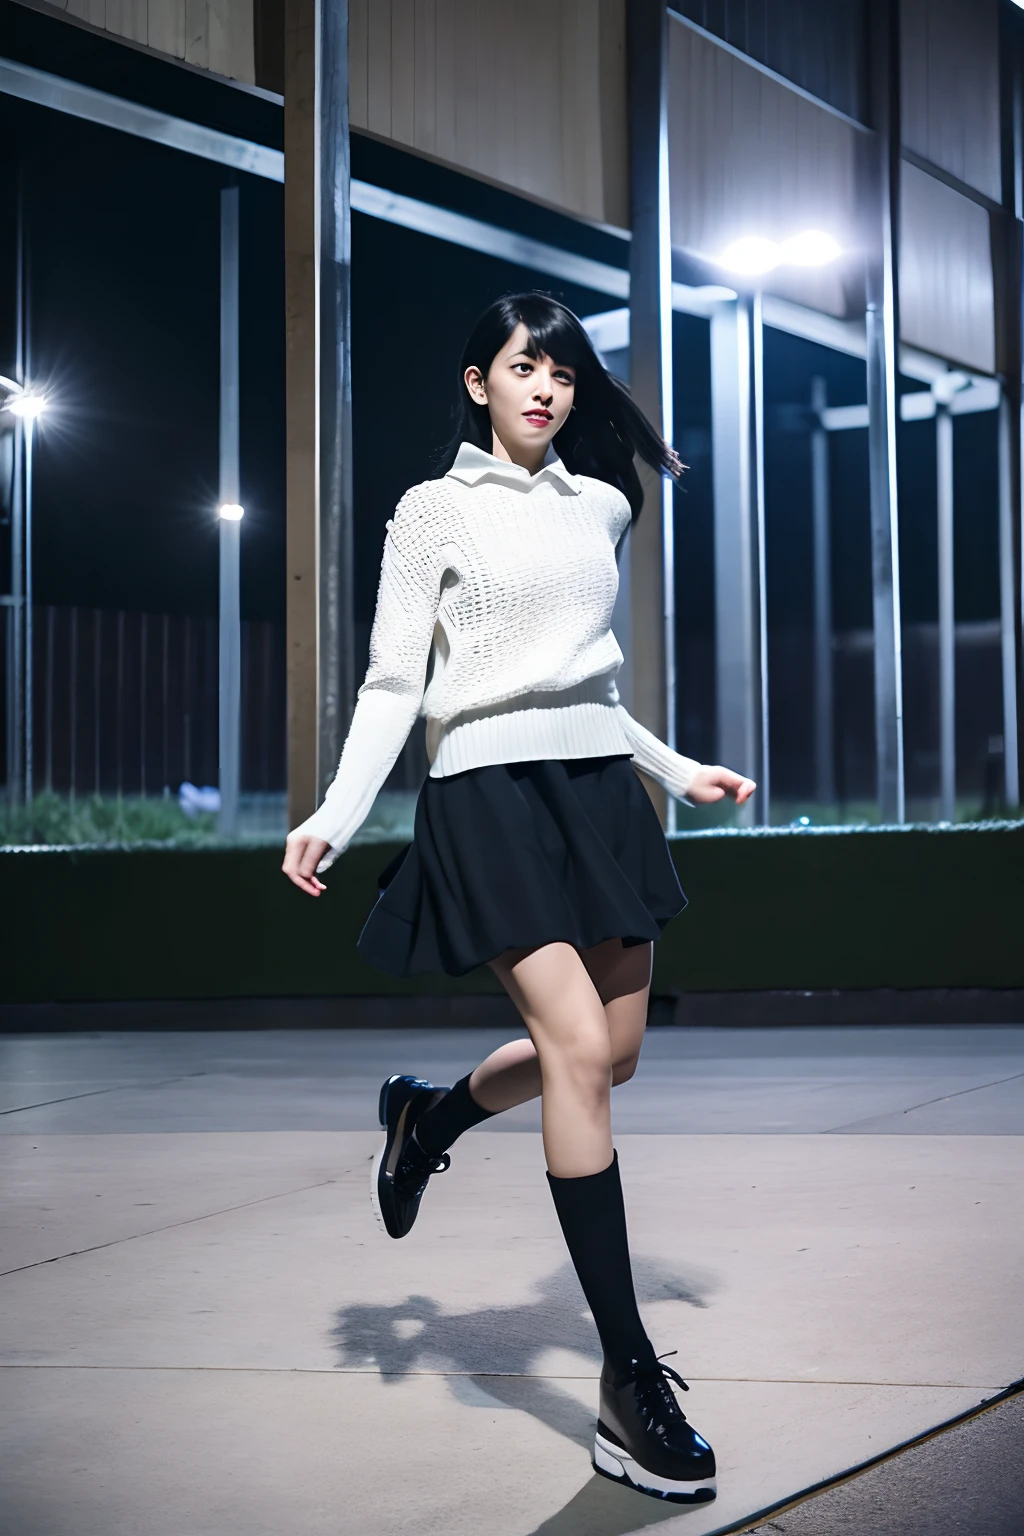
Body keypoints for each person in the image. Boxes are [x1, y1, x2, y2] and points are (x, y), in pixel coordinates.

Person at [282, 292, 755, 1505]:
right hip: (484, 798)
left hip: (599, 795)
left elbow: (586, 681)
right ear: (476, 381)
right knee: (580, 1055)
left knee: (611, 1056)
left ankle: (428, 1119)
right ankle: (625, 1379)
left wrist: (668, 764)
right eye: (522, 366)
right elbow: (398, 678)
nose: (545, 387)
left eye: (562, 371)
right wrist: (336, 812)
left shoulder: (601, 506)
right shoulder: (430, 511)